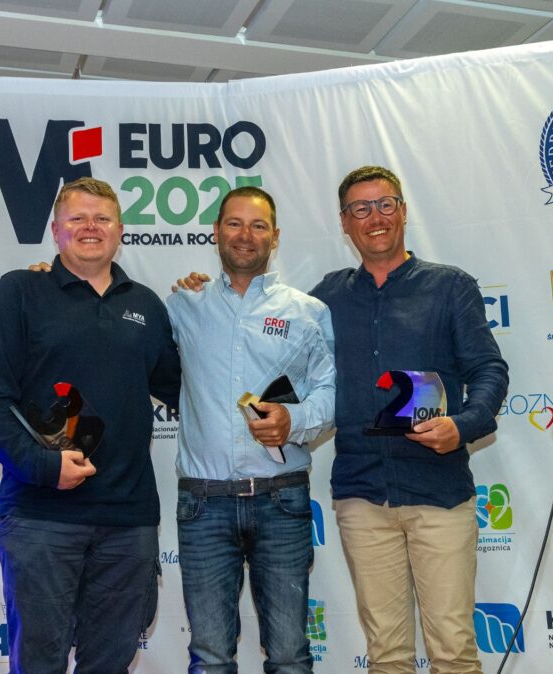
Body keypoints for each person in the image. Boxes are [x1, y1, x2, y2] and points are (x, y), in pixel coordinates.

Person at [0, 176, 181, 673]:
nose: (91, 227)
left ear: (120, 230)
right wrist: (44, 468)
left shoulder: (146, 305)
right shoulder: (21, 291)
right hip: (42, 515)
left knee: (110, 663)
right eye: (78, 218)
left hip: (128, 520)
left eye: (103, 218)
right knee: (38, 663)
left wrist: (204, 303)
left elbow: (187, 391)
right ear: (55, 230)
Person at [308, 166, 508, 674]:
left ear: (402, 211)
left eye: (385, 204)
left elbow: (488, 370)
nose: (374, 217)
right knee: (387, 655)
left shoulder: (450, 287)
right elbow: (286, 361)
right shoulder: (325, 297)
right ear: (344, 222)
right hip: (362, 495)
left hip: (438, 491)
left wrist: (463, 425)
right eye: (360, 208)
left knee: (454, 652)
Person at [168, 186, 336, 673]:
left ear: (275, 236)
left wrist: (293, 420)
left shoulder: (307, 311)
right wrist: (53, 280)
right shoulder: (182, 304)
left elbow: (330, 392)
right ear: (216, 231)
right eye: (235, 223)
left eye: (258, 225)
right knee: (210, 659)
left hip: (281, 500)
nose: (246, 235)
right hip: (204, 503)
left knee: (289, 656)